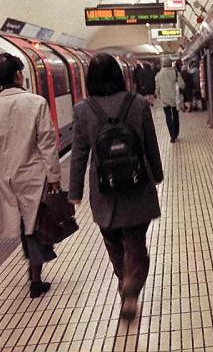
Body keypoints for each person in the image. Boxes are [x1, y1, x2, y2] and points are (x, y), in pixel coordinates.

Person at [68, 54, 163, 320]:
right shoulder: (138, 104)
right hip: (137, 187)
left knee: (113, 243)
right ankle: (132, 287)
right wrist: (156, 174)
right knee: (136, 243)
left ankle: (123, 280)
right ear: (121, 77)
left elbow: (78, 155)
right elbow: (149, 143)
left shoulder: (83, 109)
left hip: (104, 192)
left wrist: (74, 192)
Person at [0, 53, 61, 298]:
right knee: (34, 225)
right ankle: (35, 277)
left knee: (24, 225)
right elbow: (46, 142)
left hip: (0, 178)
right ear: (19, 75)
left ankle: (33, 271)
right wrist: (54, 175)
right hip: (32, 175)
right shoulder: (36, 103)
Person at [156, 60, 185, 143]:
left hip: (164, 99)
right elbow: (182, 84)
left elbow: (157, 88)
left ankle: (172, 136)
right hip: (175, 98)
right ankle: (176, 133)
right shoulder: (175, 72)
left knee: (168, 117)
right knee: (175, 115)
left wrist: (158, 96)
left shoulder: (159, 75)